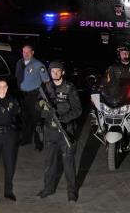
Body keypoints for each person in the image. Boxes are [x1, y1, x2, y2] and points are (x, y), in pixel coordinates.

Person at [36, 62, 81, 203]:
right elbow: (38, 105)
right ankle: (48, 189)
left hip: (66, 131)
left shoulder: (69, 88)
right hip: (50, 131)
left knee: (68, 164)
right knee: (49, 163)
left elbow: (78, 110)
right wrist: (42, 105)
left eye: (58, 71)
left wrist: (62, 119)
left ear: (63, 72)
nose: (55, 73)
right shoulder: (45, 88)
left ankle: (72, 192)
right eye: (52, 71)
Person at [14, 44, 50, 150]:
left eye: (28, 52)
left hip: (35, 96)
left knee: (37, 121)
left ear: (32, 52)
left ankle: (39, 142)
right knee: (25, 119)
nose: (25, 54)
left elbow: (46, 81)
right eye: (23, 52)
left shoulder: (38, 65)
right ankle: (26, 139)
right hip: (22, 95)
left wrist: (45, 96)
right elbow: (18, 77)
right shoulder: (19, 63)